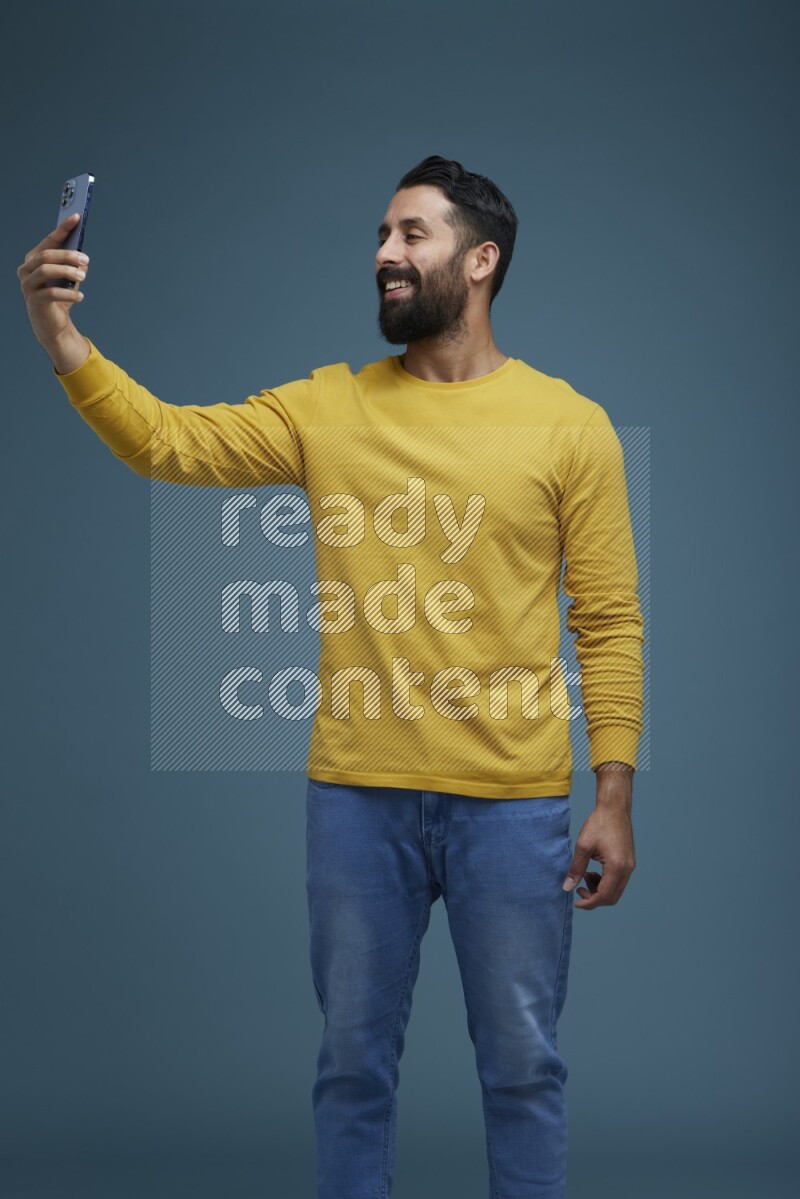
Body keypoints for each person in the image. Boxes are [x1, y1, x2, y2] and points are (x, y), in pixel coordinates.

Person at [18, 155, 644, 1199]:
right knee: (352, 1069)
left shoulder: (568, 424)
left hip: (514, 804)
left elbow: (608, 617)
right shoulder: (327, 407)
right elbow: (169, 442)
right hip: (356, 801)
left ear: (480, 260)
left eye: (411, 235)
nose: (383, 255)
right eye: (381, 235)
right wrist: (60, 337)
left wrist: (612, 791)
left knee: (523, 1068)